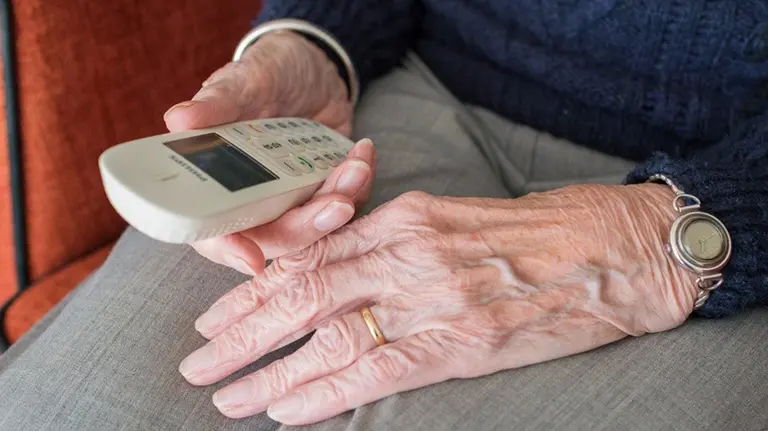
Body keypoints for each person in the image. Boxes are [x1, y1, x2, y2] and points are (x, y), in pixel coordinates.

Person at [1, 1, 767, 430]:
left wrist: (662, 238)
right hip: (405, 98)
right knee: (62, 410)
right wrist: (311, 40)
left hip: (723, 200)